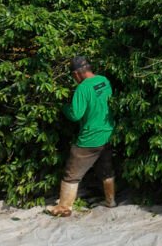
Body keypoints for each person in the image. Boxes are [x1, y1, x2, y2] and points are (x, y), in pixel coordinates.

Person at [49, 55, 116, 217]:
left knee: (72, 173)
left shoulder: (83, 88)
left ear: (77, 73)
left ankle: (64, 207)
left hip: (90, 138)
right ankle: (110, 201)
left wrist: (64, 107)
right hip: (107, 132)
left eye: (73, 76)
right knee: (105, 168)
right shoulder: (104, 80)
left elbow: (75, 115)